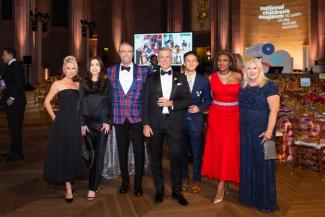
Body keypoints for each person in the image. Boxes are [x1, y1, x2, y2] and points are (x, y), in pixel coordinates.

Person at [142, 48, 192, 206]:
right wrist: (145, 124)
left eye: (167, 57)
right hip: (155, 124)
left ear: (172, 58)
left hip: (174, 124)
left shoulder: (181, 77)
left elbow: (188, 100)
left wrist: (171, 103)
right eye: (161, 57)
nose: (164, 60)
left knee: (176, 158)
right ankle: (159, 190)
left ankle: (177, 192)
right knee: (155, 159)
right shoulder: (150, 78)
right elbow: (144, 103)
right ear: (158, 59)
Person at [239, 58, 280, 212]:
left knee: (266, 165)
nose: (251, 71)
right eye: (248, 68)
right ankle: (248, 198)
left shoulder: (269, 85)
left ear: (260, 70)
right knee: (247, 163)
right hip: (245, 132)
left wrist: (269, 132)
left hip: (266, 133)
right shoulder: (243, 87)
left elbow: (274, 110)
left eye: (254, 68)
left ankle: (266, 201)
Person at [107, 42, 147, 196]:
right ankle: (125, 182)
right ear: (119, 53)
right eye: (123, 51)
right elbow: (107, 96)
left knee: (139, 152)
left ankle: (138, 185)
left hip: (137, 117)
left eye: (129, 51)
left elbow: (147, 96)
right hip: (118, 117)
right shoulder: (110, 71)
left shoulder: (144, 72)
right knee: (121, 151)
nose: (126, 54)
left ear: (133, 53)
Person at [201, 50, 242, 203]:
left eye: (225, 60)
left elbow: (246, 97)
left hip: (233, 116)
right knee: (218, 150)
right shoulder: (211, 78)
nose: (222, 63)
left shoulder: (239, 77)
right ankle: (224, 182)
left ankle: (221, 185)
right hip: (216, 116)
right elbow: (206, 98)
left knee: (229, 150)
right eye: (219, 60)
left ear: (230, 62)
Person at [43, 56, 81, 203]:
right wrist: (55, 118)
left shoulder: (78, 85)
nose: (70, 71)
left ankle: (70, 179)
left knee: (73, 150)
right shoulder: (58, 84)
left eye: (73, 68)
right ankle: (68, 189)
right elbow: (47, 102)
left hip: (76, 123)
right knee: (65, 152)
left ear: (76, 70)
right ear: (64, 69)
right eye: (68, 68)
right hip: (63, 123)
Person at [79, 56, 112, 201]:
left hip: (102, 125)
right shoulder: (83, 83)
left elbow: (111, 103)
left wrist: (109, 122)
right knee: (90, 156)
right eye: (91, 65)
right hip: (87, 125)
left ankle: (92, 187)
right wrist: (82, 123)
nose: (94, 67)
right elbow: (79, 105)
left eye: (97, 64)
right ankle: (95, 180)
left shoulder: (107, 83)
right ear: (88, 67)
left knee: (99, 155)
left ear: (101, 66)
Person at [181, 51, 212, 194]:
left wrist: (200, 107)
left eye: (194, 60)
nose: (191, 63)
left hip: (196, 122)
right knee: (182, 152)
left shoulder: (204, 81)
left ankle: (197, 180)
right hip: (179, 121)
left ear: (197, 63)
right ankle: (183, 178)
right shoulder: (177, 79)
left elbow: (209, 100)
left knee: (196, 153)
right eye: (188, 60)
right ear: (184, 62)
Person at [1, 48, 26, 161]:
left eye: (4, 55)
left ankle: (18, 154)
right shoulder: (13, 65)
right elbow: (12, 82)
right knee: (13, 128)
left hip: (15, 103)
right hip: (15, 102)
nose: (2, 57)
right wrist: (3, 85)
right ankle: (13, 151)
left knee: (15, 128)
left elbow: (20, 83)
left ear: (10, 55)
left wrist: (11, 98)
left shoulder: (14, 65)